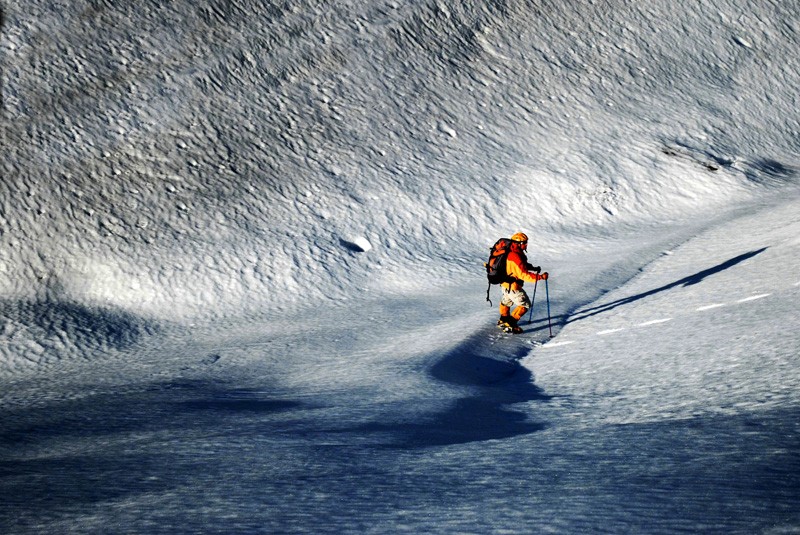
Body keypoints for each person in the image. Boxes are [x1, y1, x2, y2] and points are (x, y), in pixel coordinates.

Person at [498, 232, 548, 333]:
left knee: (506, 302)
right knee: (525, 305)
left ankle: (503, 320)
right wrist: (540, 277)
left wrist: (533, 268)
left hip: (504, 284)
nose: (526, 245)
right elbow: (523, 274)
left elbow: (521, 265)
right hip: (514, 286)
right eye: (524, 243)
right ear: (518, 243)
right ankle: (510, 324)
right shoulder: (515, 256)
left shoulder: (509, 252)